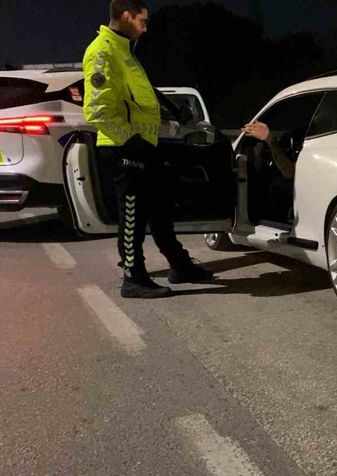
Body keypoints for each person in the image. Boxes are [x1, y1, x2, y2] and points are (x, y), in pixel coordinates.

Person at [82, 0, 213, 299]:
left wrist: (171, 114)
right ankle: (134, 278)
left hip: (143, 145)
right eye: (142, 21)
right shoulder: (102, 51)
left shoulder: (124, 51)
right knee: (133, 216)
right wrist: (131, 141)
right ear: (126, 16)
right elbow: (97, 110)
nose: (145, 28)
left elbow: (137, 99)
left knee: (160, 210)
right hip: (124, 147)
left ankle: (180, 265)